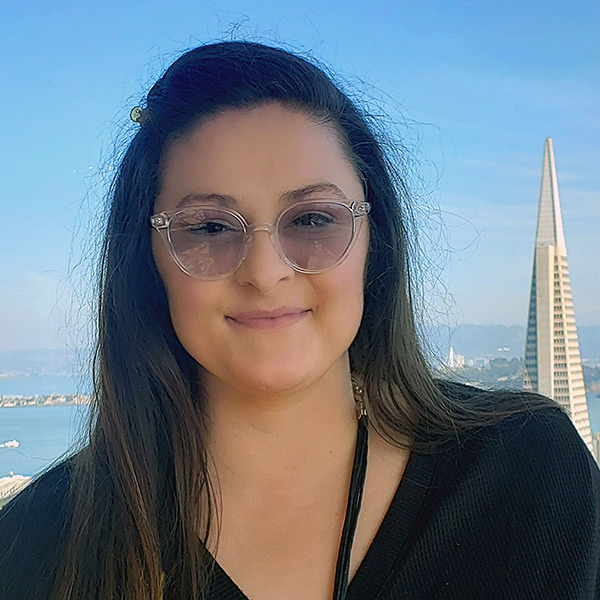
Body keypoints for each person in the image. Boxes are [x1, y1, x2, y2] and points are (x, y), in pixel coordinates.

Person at [0, 40, 598, 600]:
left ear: (373, 242)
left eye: (312, 220)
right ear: (146, 260)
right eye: (209, 227)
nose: (265, 272)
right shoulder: (34, 549)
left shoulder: (530, 472)